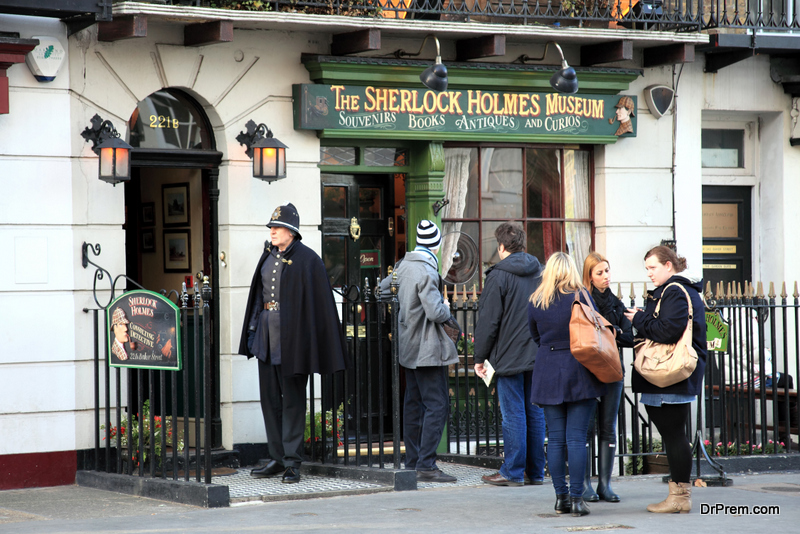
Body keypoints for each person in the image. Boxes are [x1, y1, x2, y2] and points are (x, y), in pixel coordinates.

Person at [238, 203, 348, 484]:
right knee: (269, 400)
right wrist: (252, 335)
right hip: (266, 338)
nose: (272, 232)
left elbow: (318, 308)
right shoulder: (267, 257)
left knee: (293, 403)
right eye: (271, 228)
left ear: (292, 231)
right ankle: (276, 457)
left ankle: (292, 462)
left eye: (277, 227)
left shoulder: (308, 260)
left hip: (294, 342)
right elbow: (257, 300)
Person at [624, 245, 707, 514]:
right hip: (674, 375)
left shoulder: (673, 291)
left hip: (668, 375)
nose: (648, 273)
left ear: (668, 266)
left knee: (673, 435)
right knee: (675, 434)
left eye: (652, 267)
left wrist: (638, 318)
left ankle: (679, 496)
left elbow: (668, 330)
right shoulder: (682, 290)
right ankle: (679, 494)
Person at [380, 219, 459, 483]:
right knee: (437, 405)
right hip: (427, 349)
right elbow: (436, 312)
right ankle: (427, 464)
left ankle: (413, 461)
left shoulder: (402, 266)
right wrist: (446, 306)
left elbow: (382, 291)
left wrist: (403, 311)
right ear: (435, 246)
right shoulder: (426, 270)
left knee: (413, 404)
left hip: (408, 346)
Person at [528, 252, 606, 517]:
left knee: (556, 439)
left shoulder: (537, 300)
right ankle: (577, 499)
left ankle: (560, 498)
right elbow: (595, 329)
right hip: (579, 368)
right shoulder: (581, 296)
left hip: (548, 369)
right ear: (572, 269)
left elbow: (535, 336)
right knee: (576, 439)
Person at [473, 223, 546, 487]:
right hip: (538, 352)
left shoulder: (498, 275)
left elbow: (489, 321)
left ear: (501, 247)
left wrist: (479, 357)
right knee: (535, 412)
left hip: (508, 356)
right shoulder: (540, 271)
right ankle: (535, 472)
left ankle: (513, 471)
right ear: (523, 245)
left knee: (513, 413)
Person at [581, 252, 634, 503]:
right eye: (600, 272)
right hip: (588, 372)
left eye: (607, 271)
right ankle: (584, 484)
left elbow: (629, 337)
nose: (606, 277)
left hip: (613, 371)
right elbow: (586, 337)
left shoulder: (615, 302)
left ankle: (605, 484)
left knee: (608, 429)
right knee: (585, 429)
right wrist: (616, 331)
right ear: (589, 276)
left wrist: (611, 332)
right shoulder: (583, 301)